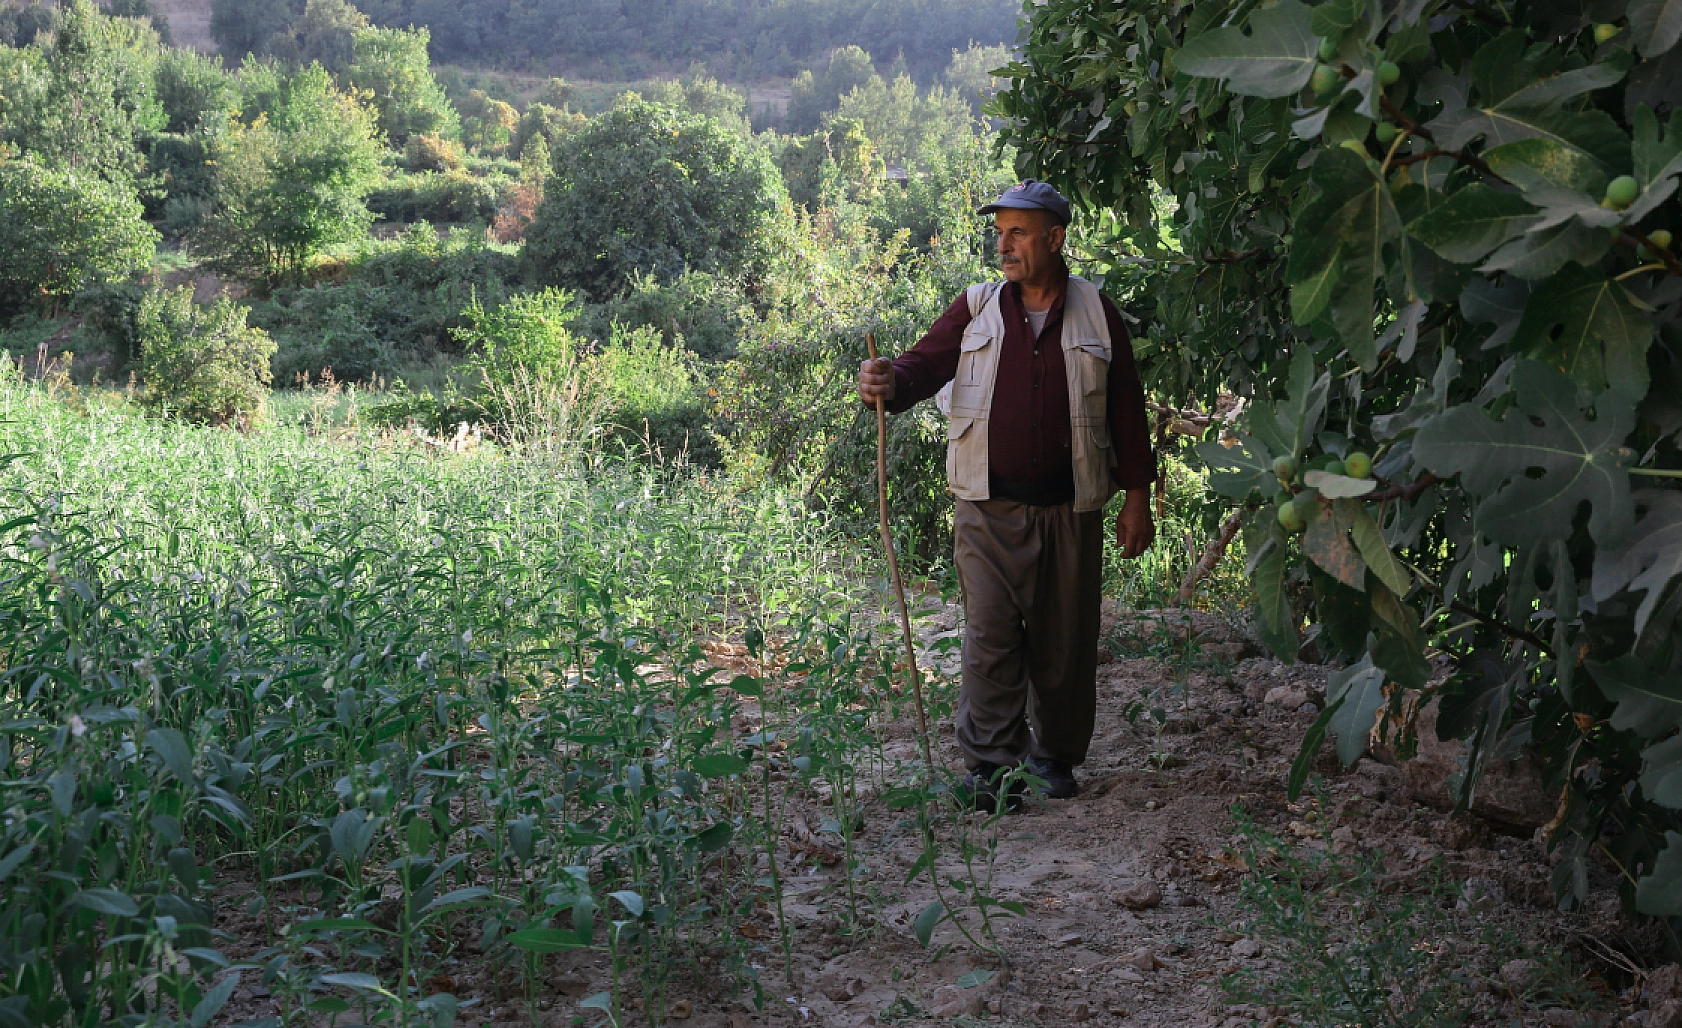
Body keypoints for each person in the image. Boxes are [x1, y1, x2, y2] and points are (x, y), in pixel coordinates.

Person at [857, 180, 1157, 809]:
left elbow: (1127, 411)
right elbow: (922, 367)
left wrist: (1137, 499)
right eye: (1000, 232)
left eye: (1018, 232)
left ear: (1055, 237)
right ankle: (992, 767)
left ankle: (1053, 758)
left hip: (1071, 510)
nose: (1005, 244)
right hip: (986, 507)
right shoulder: (975, 308)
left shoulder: (1098, 313)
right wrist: (887, 380)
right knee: (990, 633)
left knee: (1065, 641)